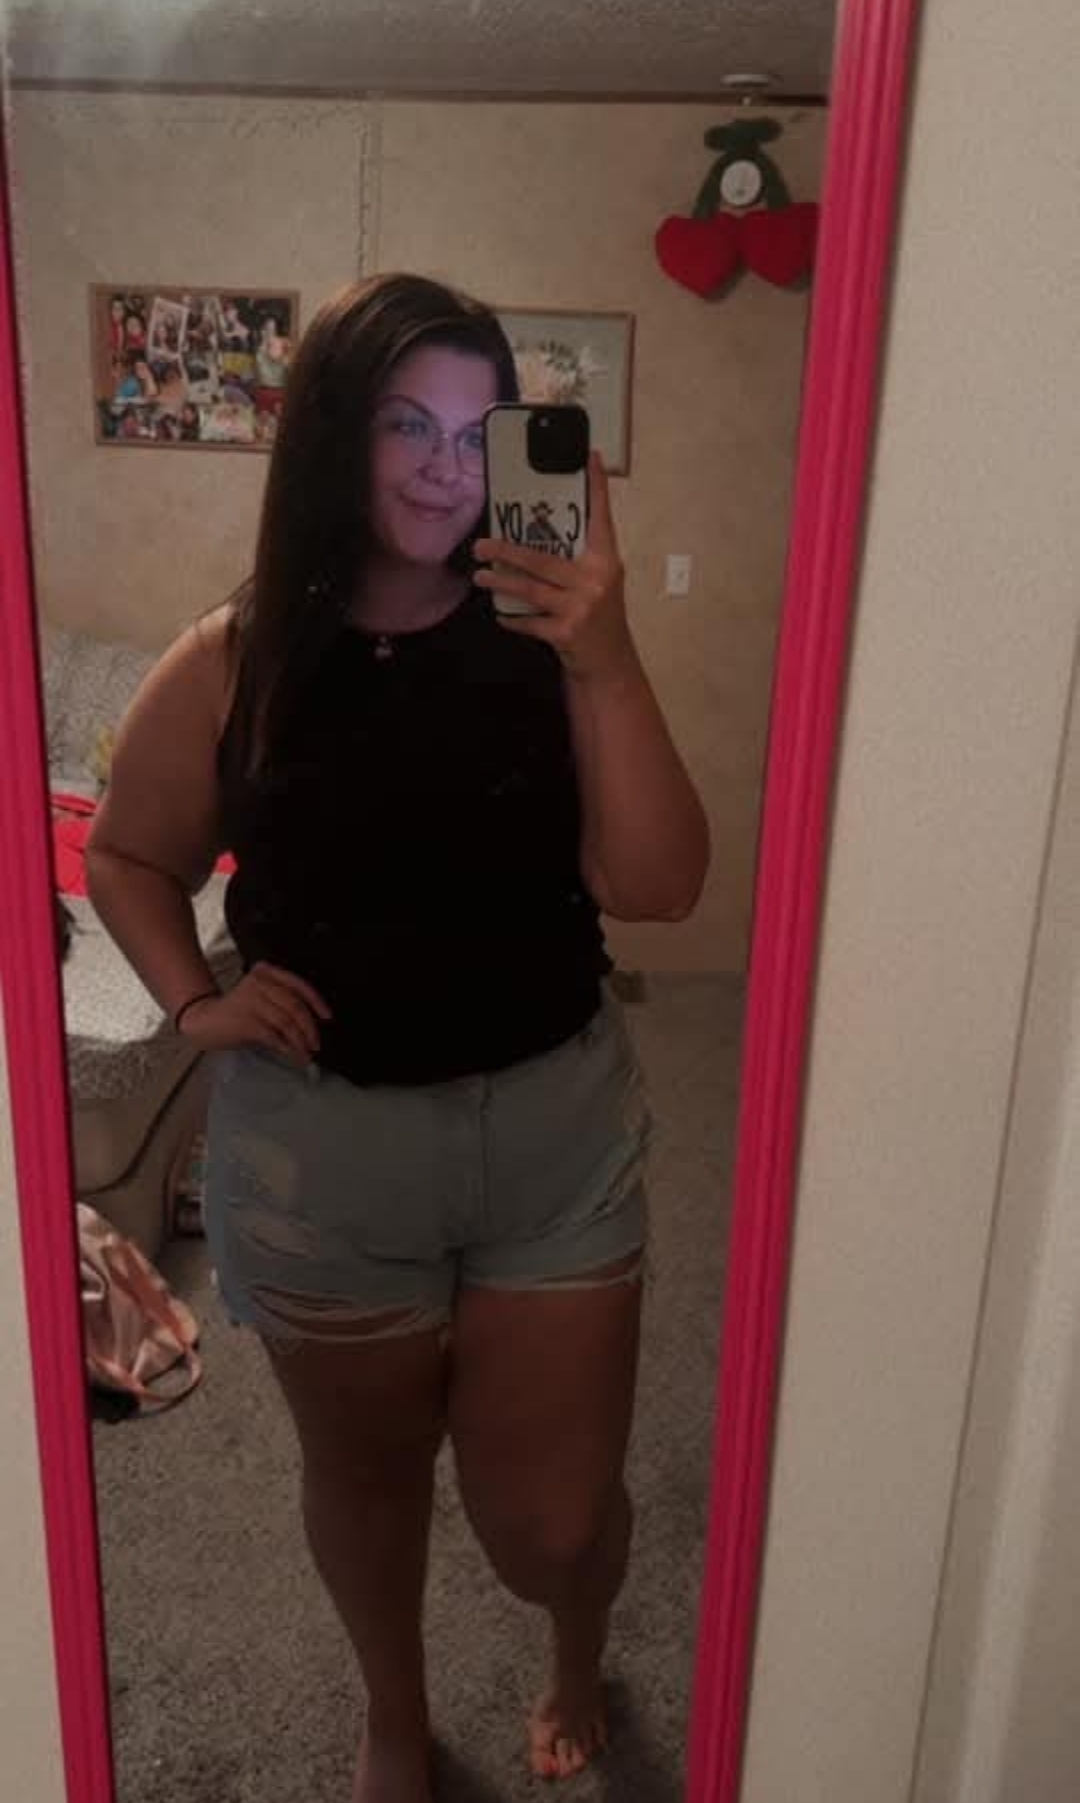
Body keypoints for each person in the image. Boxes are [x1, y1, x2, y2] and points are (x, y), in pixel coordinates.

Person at [85, 273, 709, 1803]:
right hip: (323, 1153)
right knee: (365, 1482)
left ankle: (576, 1645)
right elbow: (127, 853)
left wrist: (608, 650)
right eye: (403, 426)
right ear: (332, 438)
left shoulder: (551, 640)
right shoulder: (239, 657)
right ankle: (392, 1710)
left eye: (473, 429)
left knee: (554, 1522)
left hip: (551, 1133)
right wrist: (196, 1005)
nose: (443, 466)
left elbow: (661, 885)